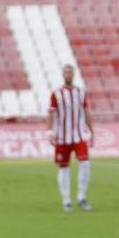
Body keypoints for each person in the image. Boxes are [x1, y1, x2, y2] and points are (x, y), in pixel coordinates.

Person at [47, 64, 94, 212]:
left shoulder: (81, 92)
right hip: (62, 136)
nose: (68, 74)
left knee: (85, 163)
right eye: (66, 72)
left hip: (79, 135)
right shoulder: (56, 93)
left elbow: (86, 112)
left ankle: (81, 197)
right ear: (63, 74)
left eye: (70, 72)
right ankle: (66, 200)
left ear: (73, 74)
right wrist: (49, 131)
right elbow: (50, 113)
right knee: (64, 167)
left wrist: (92, 132)